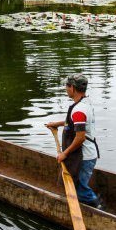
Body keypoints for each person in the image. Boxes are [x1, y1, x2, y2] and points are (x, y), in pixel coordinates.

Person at [45, 74, 101, 208]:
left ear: (73, 88)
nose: (65, 88)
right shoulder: (84, 102)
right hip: (85, 155)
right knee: (76, 185)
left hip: (83, 156)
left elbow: (80, 137)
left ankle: (98, 207)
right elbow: (73, 123)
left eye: (67, 86)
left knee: (79, 189)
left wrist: (65, 153)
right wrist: (57, 124)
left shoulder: (79, 110)